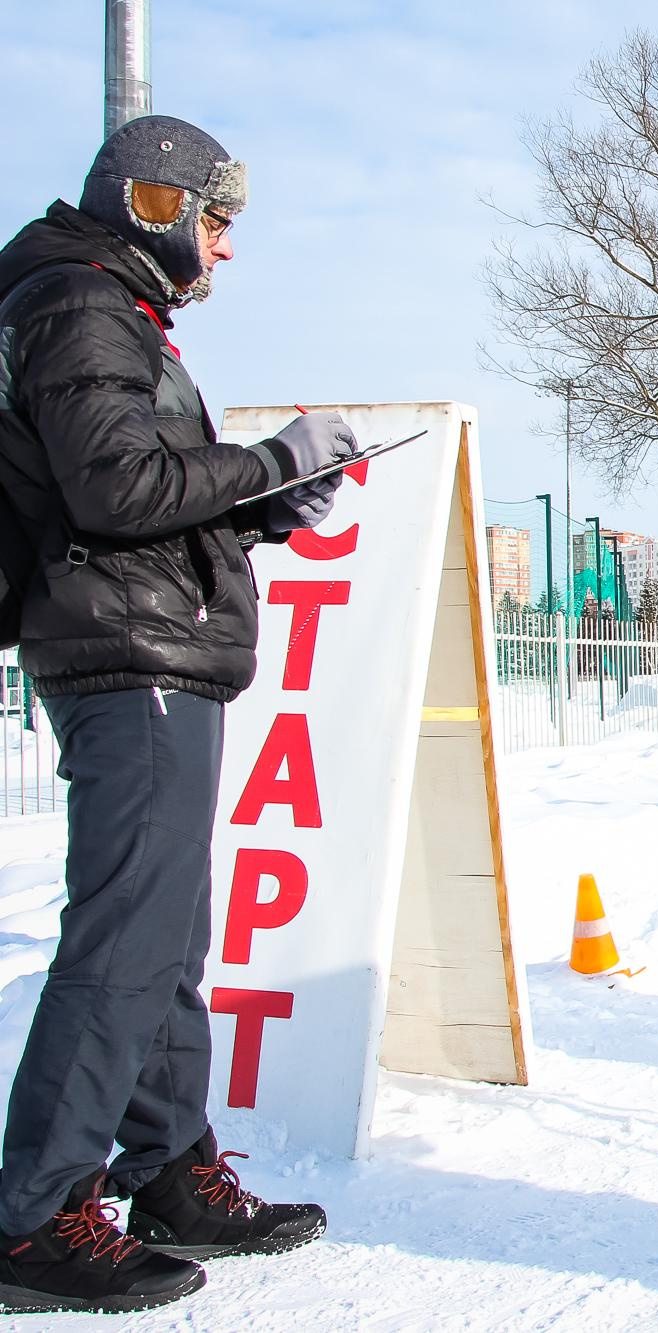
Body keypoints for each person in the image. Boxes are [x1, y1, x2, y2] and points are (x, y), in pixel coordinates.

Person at [0, 115, 352, 1315]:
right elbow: (112, 486)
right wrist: (266, 460)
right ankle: (35, 1214)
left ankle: (167, 1169)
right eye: (215, 220)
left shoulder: (113, 313)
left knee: (166, 935)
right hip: (125, 656)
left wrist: (268, 505)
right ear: (152, 205)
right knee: (122, 944)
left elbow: (134, 497)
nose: (225, 249)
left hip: (155, 646)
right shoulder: (77, 305)